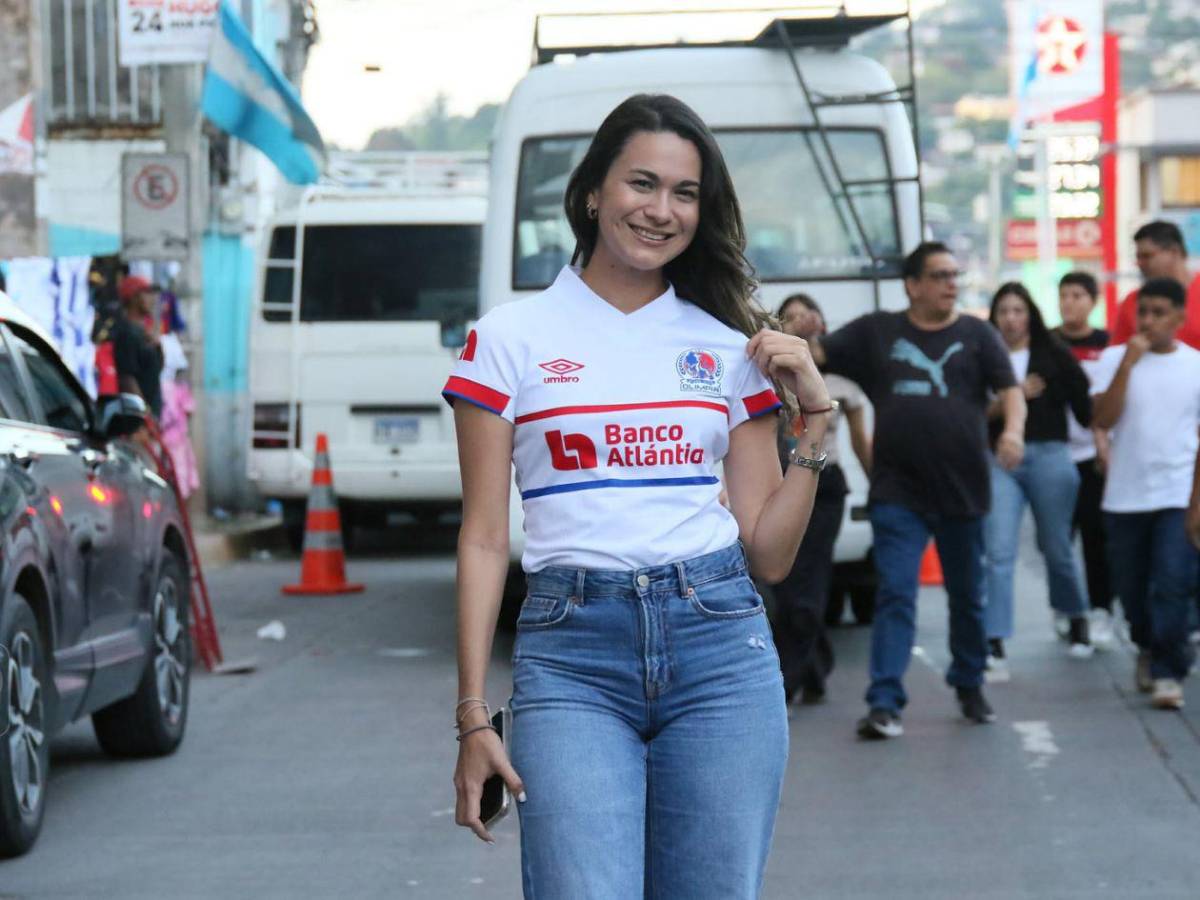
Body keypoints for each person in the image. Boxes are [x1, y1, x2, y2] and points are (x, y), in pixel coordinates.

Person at [446, 94, 833, 898]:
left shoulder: (730, 348)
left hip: (721, 649)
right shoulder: (508, 339)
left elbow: (769, 550)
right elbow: (484, 537)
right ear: (593, 192)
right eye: (642, 184)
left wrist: (817, 424)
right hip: (571, 659)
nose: (661, 211)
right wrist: (473, 715)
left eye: (684, 194)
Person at [802, 241, 1025, 739]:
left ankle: (969, 682)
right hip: (898, 493)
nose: (951, 284)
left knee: (967, 597)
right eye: (940, 275)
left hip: (963, 492)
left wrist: (1013, 432)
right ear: (913, 284)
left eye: (954, 275)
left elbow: (1010, 390)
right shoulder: (877, 332)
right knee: (895, 594)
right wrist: (789, 337)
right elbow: (818, 353)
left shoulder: (976, 334)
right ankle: (884, 702)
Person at [1093, 277, 1200, 710]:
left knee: (1173, 583)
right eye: (1144, 312)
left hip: (1175, 492)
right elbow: (1101, 419)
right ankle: (1149, 646)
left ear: (1179, 317)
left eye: (1159, 312)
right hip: (1125, 496)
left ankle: (1168, 671)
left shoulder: (1194, 365)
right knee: (1133, 591)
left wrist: (1196, 503)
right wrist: (1127, 366)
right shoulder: (1115, 358)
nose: (1149, 321)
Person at [983, 282, 1094, 681]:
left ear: (1030, 315)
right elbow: (970, 415)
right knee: (998, 550)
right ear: (994, 318)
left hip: (1049, 454)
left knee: (1056, 545)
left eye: (1018, 310)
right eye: (1004, 311)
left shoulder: (1054, 355)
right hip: (1000, 460)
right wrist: (1012, 398)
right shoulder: (984, 356)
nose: (1011, 319)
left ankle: (1075, 613)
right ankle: (994, 637)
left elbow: (1085, 406)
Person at [770, 293, 872, 705]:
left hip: (825, 485)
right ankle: (815, 668)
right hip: (778, 484)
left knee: (807, 586)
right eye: (787, 318)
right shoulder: (767, 377)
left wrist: (880, 489)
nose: (798, 324)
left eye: (803, 317)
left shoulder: (840, 383)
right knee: (785, 586)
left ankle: (788, 682)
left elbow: (862, 442)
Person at [1052, 271, 1115, 647]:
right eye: (1064, 295)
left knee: (1097, 536)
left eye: (1077, 295)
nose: (1069, 302)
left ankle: (1102, 609)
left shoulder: (1107, 345)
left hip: (1094, 454)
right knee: (1058, 540)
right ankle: (1066, 607)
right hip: (1056, 453)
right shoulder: (1049, 343)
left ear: (1093, 301)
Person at [1111, 221, 1200, 348]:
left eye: (1147, 256)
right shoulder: (1132, 301)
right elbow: (1116, 356)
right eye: (1138, 257)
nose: (1140, 263)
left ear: (1174, 252)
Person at [111, 275, 164, 419]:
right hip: (138, 421)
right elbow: (127, 378)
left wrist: (158, 346)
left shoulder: (143, 333)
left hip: (152, 413)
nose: (152, 299)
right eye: (146, 293)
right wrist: (143, 415)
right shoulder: (126, 332)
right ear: (134, 298)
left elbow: (155, 370)